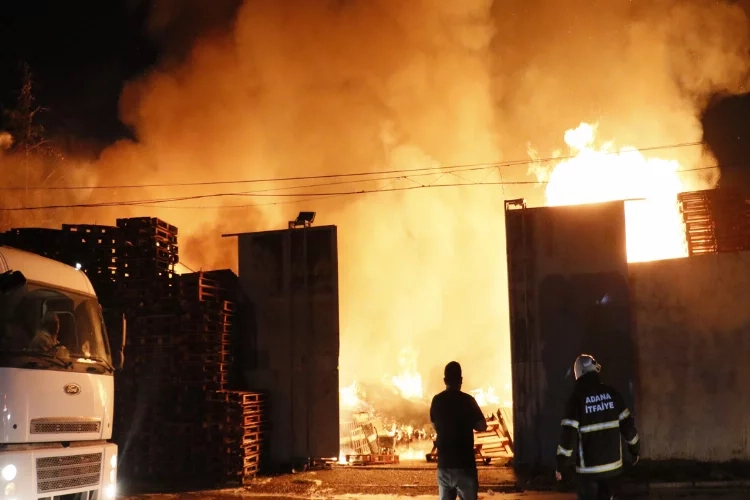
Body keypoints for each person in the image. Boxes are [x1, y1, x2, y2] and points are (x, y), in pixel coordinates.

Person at [555, 354, 640, 500]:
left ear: (578, 374)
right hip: (613, 470)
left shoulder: (576, 400)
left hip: (589, 473)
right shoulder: (612, 394)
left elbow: (568, 439)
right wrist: (635, 451)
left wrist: (560, 466)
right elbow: (628, 428)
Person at [430, 361, 487, 500]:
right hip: (464, 465)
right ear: (461, 380)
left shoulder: (437, 401)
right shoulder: (468, 401)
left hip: (444, 465)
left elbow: (434, 424)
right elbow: (482, 426)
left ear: (445, 380)